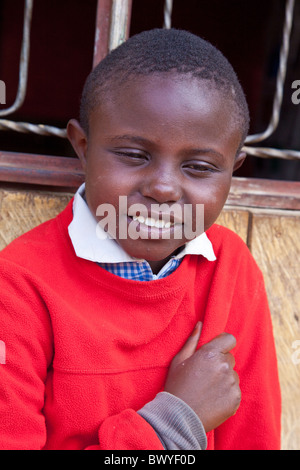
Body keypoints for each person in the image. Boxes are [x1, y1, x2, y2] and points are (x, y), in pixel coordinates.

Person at [0, 28, 281, 450]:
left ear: (233, 171)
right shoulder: (19, 287)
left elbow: (253, 438)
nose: (163, 188)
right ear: (82, 145)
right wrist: (172, 425)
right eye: (134, 155)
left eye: (200, 167)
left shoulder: (230, 266)